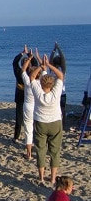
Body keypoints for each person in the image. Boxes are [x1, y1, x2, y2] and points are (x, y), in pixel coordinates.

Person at [30, 53, 64, 186]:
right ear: (52, 84)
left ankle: (42, 177)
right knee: (55, 151)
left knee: (40, 150)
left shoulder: (38, 92)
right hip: (55, 122)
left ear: (42, 83)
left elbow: (32, 76)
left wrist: (41, 66)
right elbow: (60, 75)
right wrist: (49, 65)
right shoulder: (56, 92)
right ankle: (53, 178)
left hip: (41, 122)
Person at [50, 42, 67, 129]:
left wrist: (54, 50)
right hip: (62, 93)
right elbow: (63, 59)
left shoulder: (51, 70)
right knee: (62, 109)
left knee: (53, 109)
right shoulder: (62, 70)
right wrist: (58, 48)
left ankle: (55, 123)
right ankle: (62, 125)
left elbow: (50, 60)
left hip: (53, 92)